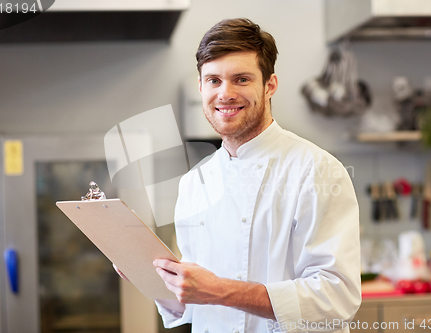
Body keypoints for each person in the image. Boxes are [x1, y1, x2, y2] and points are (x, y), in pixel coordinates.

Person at [118, 18, 361, 333]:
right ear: (201, 87)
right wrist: (152, 279)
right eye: (214, 80)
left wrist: (218, 289)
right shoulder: (194, 182)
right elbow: (194, 304)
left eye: (241, 79)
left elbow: (337, 297)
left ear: (269, 85)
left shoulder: (316, 169)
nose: (225, 94)